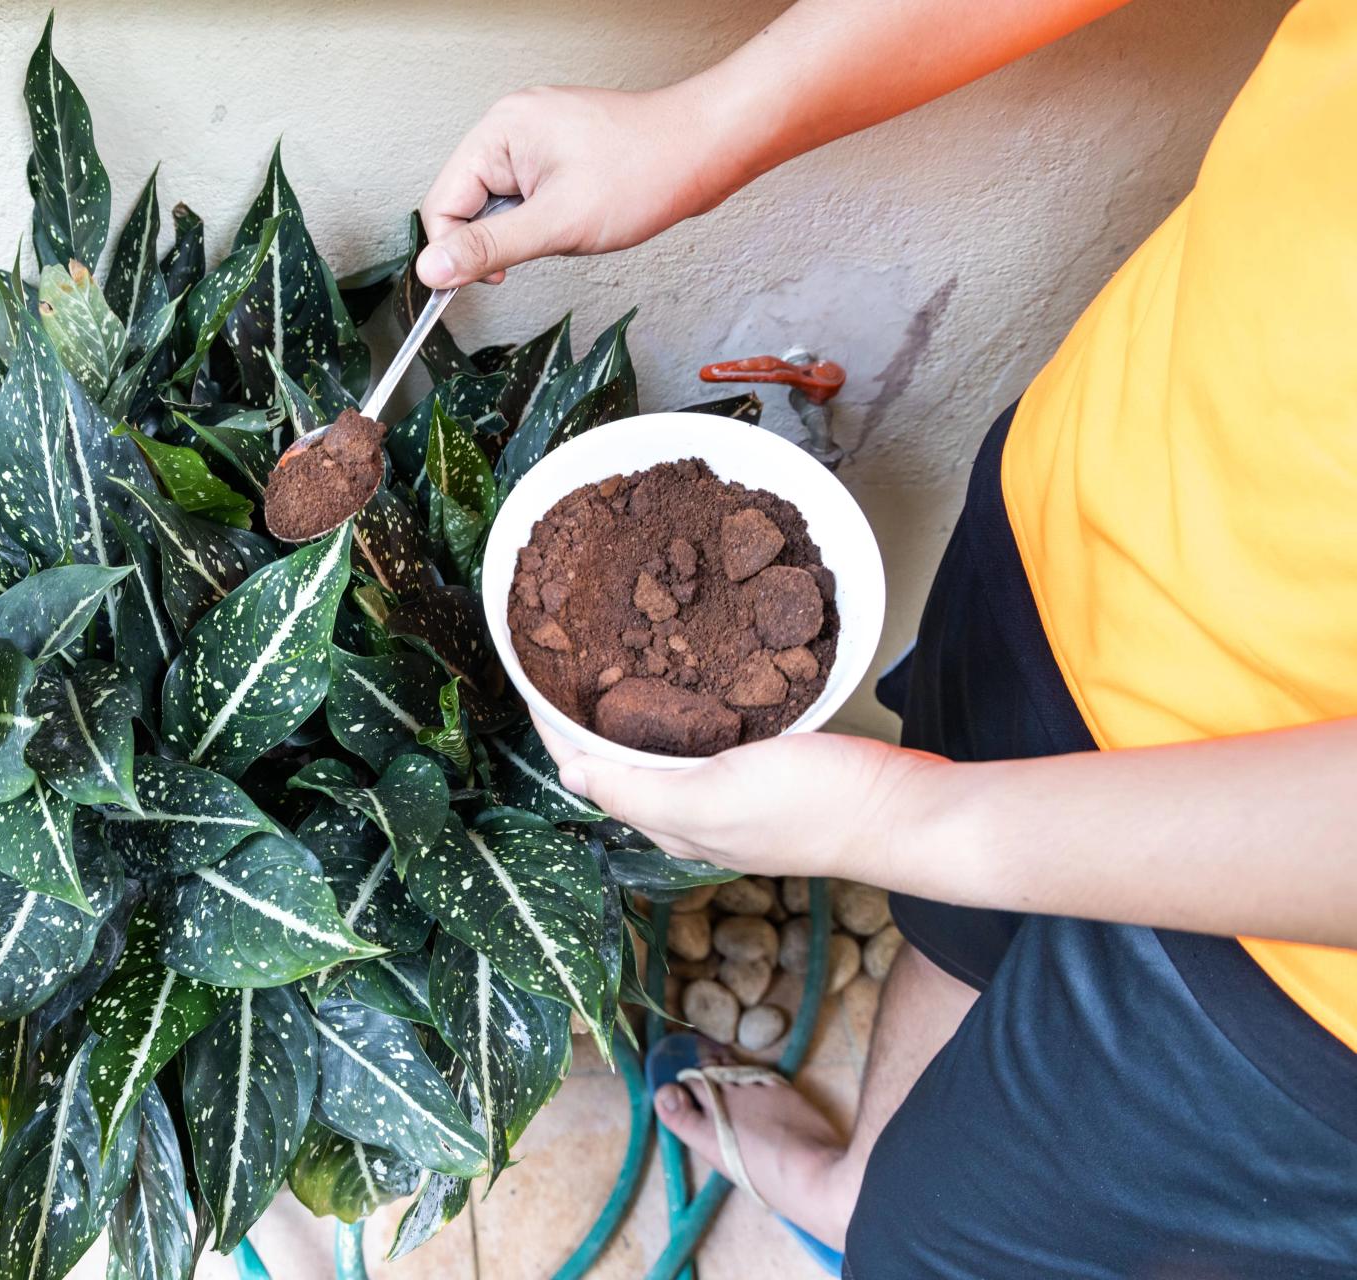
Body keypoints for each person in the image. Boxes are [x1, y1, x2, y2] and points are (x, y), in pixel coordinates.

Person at [418, 1, 1357, 1275]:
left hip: (1305, 987)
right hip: (1103, 507)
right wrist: (707, 123)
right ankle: (855, 1173)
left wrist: (903, 821)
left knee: (944, 1245)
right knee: (954, 926)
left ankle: (883, 1216)